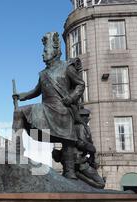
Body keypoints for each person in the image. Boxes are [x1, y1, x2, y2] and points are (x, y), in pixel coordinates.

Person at [12, 32, 85, 180]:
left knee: (67, 140)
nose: (43, 54)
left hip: (62, 108)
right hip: (46, 108)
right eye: (43, 51)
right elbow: (36, 91)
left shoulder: (66, 68)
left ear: (55, 52)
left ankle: (69, 170)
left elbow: (80, 84)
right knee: (19, 112)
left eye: (45, 51)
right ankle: (17, 150)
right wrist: (22, 95)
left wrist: (71, 98)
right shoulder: (43, 73)